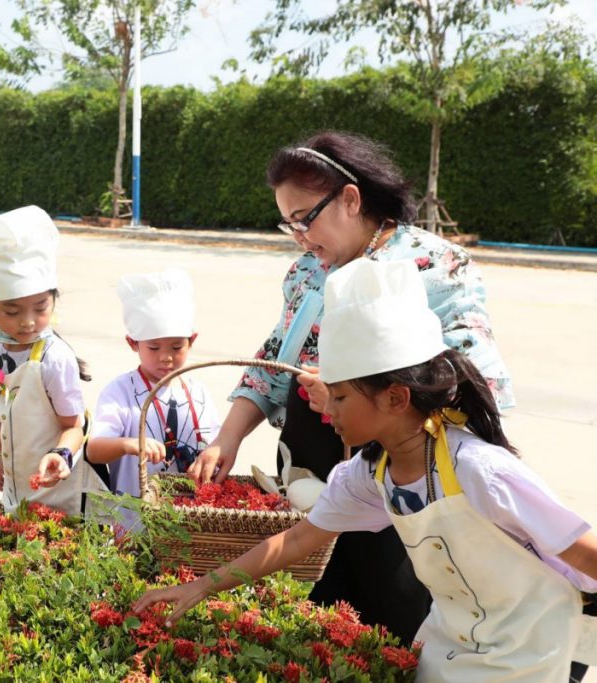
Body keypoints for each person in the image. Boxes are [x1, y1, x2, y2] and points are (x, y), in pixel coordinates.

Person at [133, 258, 597, 682]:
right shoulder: (370, 473)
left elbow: (583, 550)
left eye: (339, 396)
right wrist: (203, 585)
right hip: (452, 642)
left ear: (396, 399)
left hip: (528, 652)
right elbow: (296, 540)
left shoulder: (479, 469)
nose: (327, 410)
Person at [188, 131, 514, 642]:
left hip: (400, 465)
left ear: (350, 199)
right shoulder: (306, 272)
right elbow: (274, 358)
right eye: (288, 223)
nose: (298, 236)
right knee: (312, 604)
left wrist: (357, 391)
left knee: (393, 609)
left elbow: (473, 378)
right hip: (309, 457)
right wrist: (226, 438)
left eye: (304, 219)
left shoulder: (436, 265)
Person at [0, 205, 108, 516]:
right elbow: (2, 405)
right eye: (13, 311)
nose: (28, 322)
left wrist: (62, 455)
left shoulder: (55, 358)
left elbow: (74, 426)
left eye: (41, 307)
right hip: (16, 482)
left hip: (58, 484)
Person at [87, 268, 221, 498]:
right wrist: (128, 444)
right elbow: (94, 450)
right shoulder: (120, 392)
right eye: (154, 347)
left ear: (192, 341)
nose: (166, 357)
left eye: (177, 347)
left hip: (194, 521)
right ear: (132, 343)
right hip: (135, 519)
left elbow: (218, 445)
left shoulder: (199, 393)